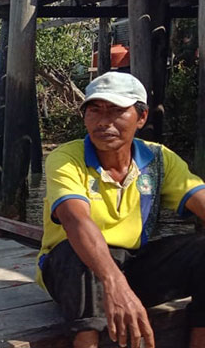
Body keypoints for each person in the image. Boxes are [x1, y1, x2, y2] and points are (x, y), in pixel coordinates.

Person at [36, 72, 205, 348]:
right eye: (95, 110)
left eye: (117, 111)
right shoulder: (67, 157)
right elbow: (75, 220)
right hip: (73, 271)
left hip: (132, 265)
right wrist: (114, 283)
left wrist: (121, 283)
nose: (104, 122)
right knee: (78, 252)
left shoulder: (158, 158)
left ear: (141, 117)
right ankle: (86, 340)